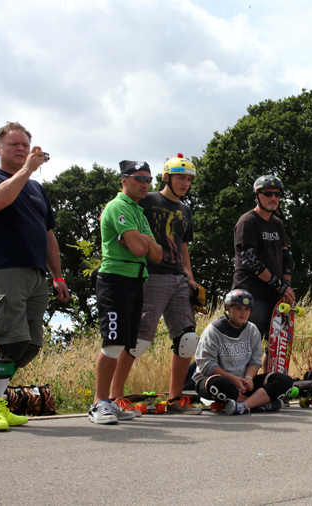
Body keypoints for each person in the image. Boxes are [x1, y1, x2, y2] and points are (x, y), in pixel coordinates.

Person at [0, 122, 70, 432]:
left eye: (26, 146)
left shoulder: (38, 190)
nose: (21, 150)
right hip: (3, 268)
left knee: (30, 345)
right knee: (8, 337)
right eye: (14, 144)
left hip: (35, 274)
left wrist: (58, 277)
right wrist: (26, 170)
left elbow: (48, 236)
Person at [109, 155, 202, 415]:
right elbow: (126, 227)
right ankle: (115, 398)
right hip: (152, 275)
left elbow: (183, 245)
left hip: (178, 278)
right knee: (137, 340)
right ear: (166, 177)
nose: (185, 183)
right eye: (181, 177)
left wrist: (190, 276)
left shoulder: (185, 210)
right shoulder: (147, 201)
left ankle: (175, 400)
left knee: (187, 339)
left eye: (189, 179)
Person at [89, 161, 163, 424]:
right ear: (124, 180)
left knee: (125, 344)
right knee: (113, 343)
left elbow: (157, 254)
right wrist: (144, 241)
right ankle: (99, 403)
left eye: (148, 179)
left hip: (135, 279)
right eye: (139, 178)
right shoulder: (118, 206)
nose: (145, 184)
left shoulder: (139, 213)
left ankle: (110, 400)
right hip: (115, 279)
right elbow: (140, 250)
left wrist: (143, 241)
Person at [193, 289, 293, 415]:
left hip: (243, 382)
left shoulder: (252, 330)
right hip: (218, 380)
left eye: (247, 309)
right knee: (218, 383)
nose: (243, 313)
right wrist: (233, 379)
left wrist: (249, 378)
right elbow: (207, 366)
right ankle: (258, 405)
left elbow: (255, 362)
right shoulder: (214, 330)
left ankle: (243, 406)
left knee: (285, 381)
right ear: (228, 308)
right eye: (238, 308)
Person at [233, 175, 295, 373]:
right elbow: (250, 260)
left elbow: (288, 259)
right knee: (247, 346)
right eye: (267, 193)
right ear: (257, 196)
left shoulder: (277, 223)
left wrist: (286, 285)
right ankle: (241, 388)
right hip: (252, 295)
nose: (273, 198)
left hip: (275, 297)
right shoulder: (248, 221)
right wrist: (280, 286)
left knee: (276, 347)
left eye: (277, 194)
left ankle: (269, 386)